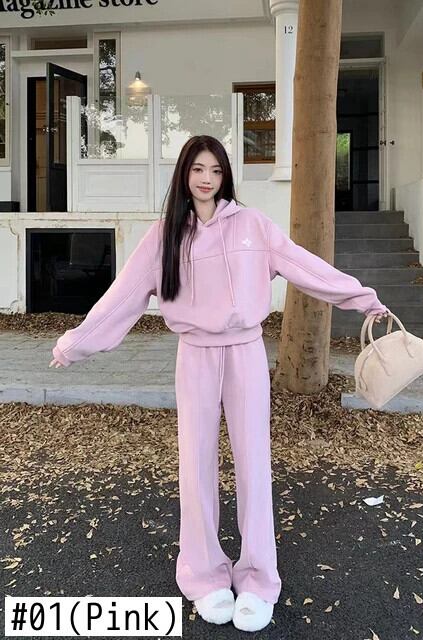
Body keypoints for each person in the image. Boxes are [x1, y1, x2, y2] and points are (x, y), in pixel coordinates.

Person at [49, 134, 390, 633]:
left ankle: (258, 579)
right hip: (195, 356)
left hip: (247, 352)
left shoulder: (253, 226)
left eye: (215, 170)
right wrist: (75, 344)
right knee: (196, 466)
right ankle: (204, 574)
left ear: (225, 175)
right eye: (197, 169)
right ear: (184, 175)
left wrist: (362, 298)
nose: (206, 179)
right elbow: (123, 296)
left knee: (254, 464)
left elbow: (304, 265)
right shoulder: (165, 235)